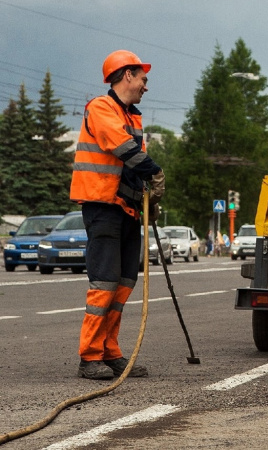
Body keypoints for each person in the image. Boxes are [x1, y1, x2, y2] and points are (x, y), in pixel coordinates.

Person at [70, 50, 165, 380]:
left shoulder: (132, 117)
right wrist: (154, 172)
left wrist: (147, 198)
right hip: (103, 207)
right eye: (142, 78)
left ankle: (110, 352)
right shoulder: (101, 109)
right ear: (127, 75)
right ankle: (89, 356)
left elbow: (133, 165)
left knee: (124, 284)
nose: (144, 86)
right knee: (104, 284)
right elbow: (122, 148)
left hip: (127, 209)